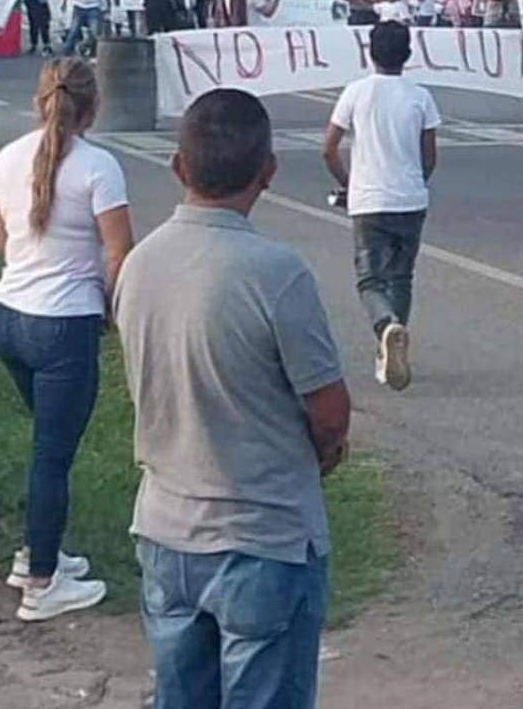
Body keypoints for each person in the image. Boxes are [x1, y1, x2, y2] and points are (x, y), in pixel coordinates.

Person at [115, 89, 350, 709]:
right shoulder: (275, 272)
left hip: (166, 527)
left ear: (178, 166)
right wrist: (323, 452)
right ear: (267, 171)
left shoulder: (138, 265)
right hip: (262, 535)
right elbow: (329, 411)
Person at [0, 58, 133, 620]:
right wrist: (112, 311)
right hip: (64, 323)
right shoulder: (99, 167)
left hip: (9, 316)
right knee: (52, 456)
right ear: (93, 106)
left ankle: (37, 553)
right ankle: (42, 581)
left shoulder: (7, 157)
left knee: (48, 445)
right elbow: (120, 251)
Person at [323, 22, 440, 391]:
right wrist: (416, 180)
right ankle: (391, 344)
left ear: (369, 52)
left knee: (370, 278)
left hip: (369, 200)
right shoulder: (421, 96)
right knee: (401, 276)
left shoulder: (356, 93)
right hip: (410, 198)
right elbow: (429, 156)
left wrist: (348, 182)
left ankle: (386, 326)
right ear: (407, 54)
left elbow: (329, 148)